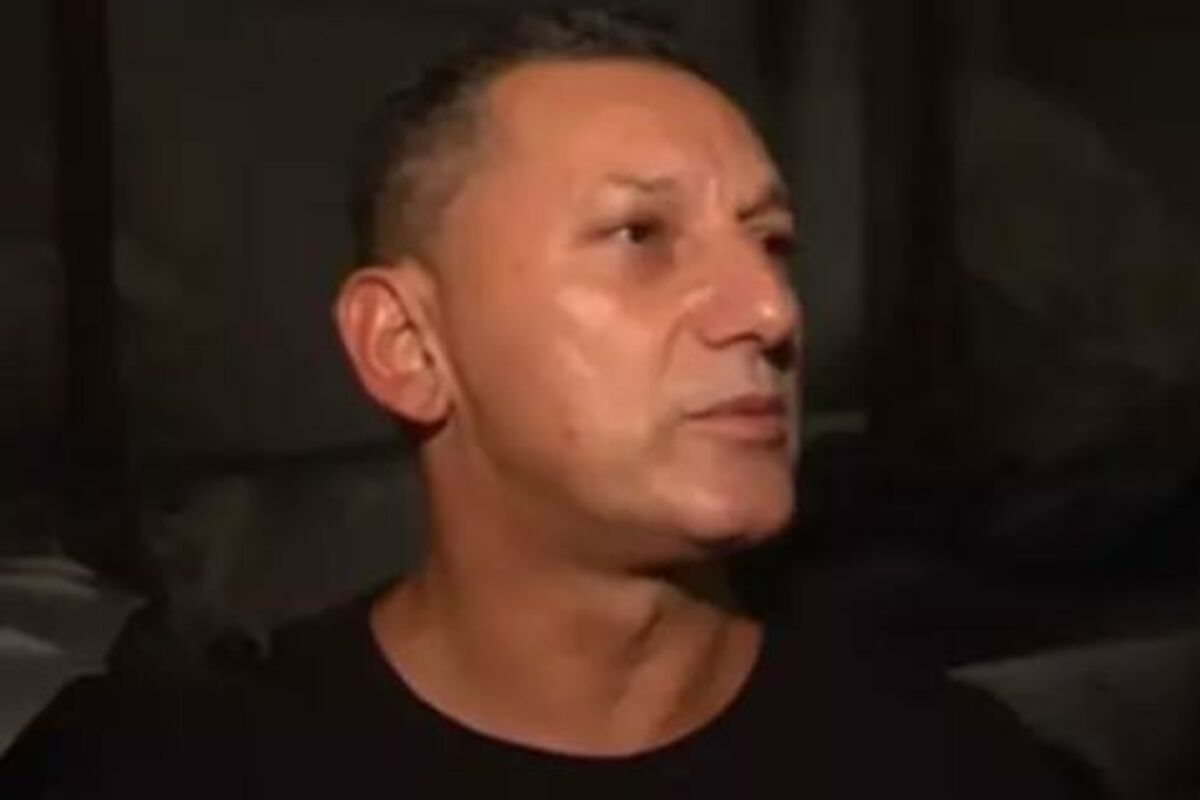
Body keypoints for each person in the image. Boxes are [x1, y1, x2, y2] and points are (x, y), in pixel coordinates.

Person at [2, 8, 1087, 798]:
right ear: (407, 346)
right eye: (640, 235)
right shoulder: (161, 772)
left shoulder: (957, 768)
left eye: (772, 243)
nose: (768, 309)